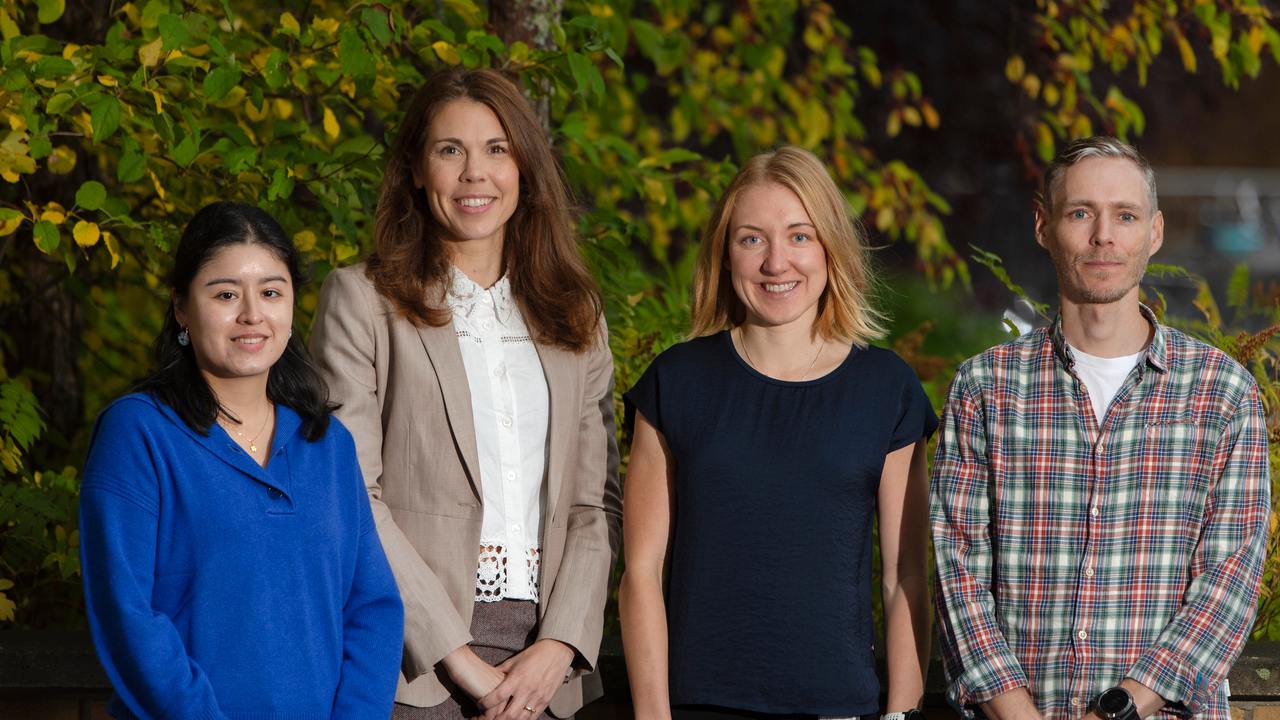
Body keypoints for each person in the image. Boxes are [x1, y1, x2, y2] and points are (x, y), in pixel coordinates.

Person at [310, 67, 621, 720]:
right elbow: (349, 495)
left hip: (548, 677)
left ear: (524, 171)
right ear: (416, 171)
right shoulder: (361, 301)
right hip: (411, 668)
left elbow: (595, 506)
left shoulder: (576, 315)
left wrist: (559, 645)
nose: (475, 173)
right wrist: (457, 658)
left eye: (496, 149)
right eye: (450, 150)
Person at [931, 136, 1271, 720]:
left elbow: (1229, 579)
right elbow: (956, 566)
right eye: (1081, 212)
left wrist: (1118, 711)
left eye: (1125, 215)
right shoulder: (984, 388)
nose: (1103, 236)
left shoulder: (1223, 393)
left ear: (1155, 232)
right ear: (1043, 226)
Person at [619, 145, 937, 720]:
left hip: (840, 707)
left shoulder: (886, 389)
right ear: (725, 253)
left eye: (799, 236)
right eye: (751, 239)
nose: (775, 263)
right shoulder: (676, 382)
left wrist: (901, 715)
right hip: (697, 705)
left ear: (830, 247)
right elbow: (641, 571)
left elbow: (907, 576)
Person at [79, 202, 404, 720]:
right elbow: (129, 617)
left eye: (271, 292)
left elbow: (373, 609)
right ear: (182, 307)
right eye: (226, 294)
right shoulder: (138, 434)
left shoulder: (329, 445)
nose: (252, 314)